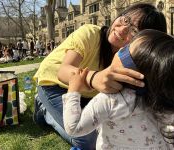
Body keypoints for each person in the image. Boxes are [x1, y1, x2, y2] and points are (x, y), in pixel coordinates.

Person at [33, 3, 167, 149]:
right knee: (89, 141)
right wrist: (94, 78)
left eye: (134, 31)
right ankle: (45, 111)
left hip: (88, 95)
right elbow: (63, 71)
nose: (122, 30)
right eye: (125, 20)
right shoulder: (89, 33)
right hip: (55, 85)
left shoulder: (135, 61)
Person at [63, 29, 174, 149]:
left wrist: (73, 89)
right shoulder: (165, 103)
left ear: (131, 70)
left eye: (127, 49)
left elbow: (74, 128)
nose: (121, 48)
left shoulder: (111, 100)